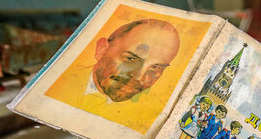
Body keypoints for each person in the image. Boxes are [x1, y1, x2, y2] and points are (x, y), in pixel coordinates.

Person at [48, 18, 180, 113]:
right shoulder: (55, 87)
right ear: (101, 49)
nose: (139, 77)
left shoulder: (151, 110)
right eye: (131, 58)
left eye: (156, 67)